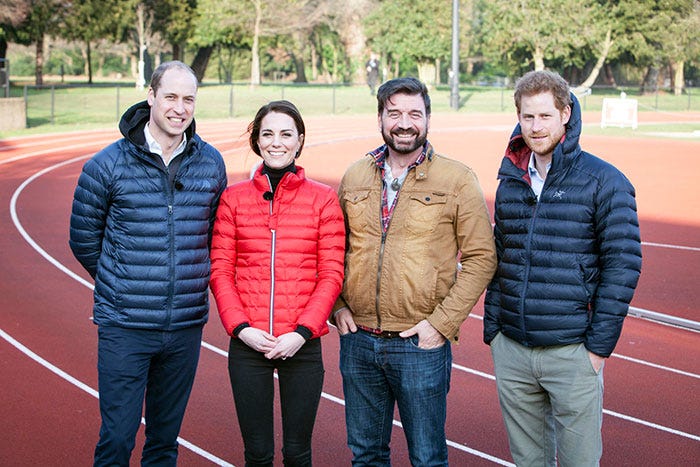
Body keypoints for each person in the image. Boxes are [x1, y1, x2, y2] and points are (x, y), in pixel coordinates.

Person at [69, 60, 228, 466]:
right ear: (151, 96)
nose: (180, 108)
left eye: (188, 99)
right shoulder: (107, 165)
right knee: (118, 439)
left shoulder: (210, 163)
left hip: (184, 326)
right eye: (171, 96)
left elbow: (215, 236)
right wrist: (122, 281)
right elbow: (84, 239)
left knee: (164, 443)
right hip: (126, 326)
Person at [333, 77, 498, 466]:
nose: (404, 123)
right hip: (358, 341)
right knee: (366, 454)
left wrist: (441, 324)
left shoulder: (457, 179)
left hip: (418, 344)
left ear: (427, 119)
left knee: (427, 457)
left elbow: (481, 258)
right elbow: (333, 250)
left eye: (414, 114)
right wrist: (337, 306)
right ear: (380, 119)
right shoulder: (355, 176)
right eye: (394, 113)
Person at [484, 70, 643, 467]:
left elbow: (623, 266)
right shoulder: (511, 180)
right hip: (514, 348)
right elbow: (501, 255)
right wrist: (494, 330)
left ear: (566, 114)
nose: (536, 127)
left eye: (545, 116)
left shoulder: (604, 181)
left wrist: (597, 349)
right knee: (528, 461)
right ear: (518, 118)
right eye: (528, 117)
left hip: (572, 352)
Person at [209, 100, 345, 467]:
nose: (277, 142)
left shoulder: (323, 199)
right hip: (248, 343)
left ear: (300, 140)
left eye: (286, 134)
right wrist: (241, 329)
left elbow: (331, 273)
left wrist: (301, 332)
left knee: (298, 452)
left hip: (301, 344)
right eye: (267, 133)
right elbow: (221, 270)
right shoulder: (233, 199)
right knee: (257, 453)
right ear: (257, 140)